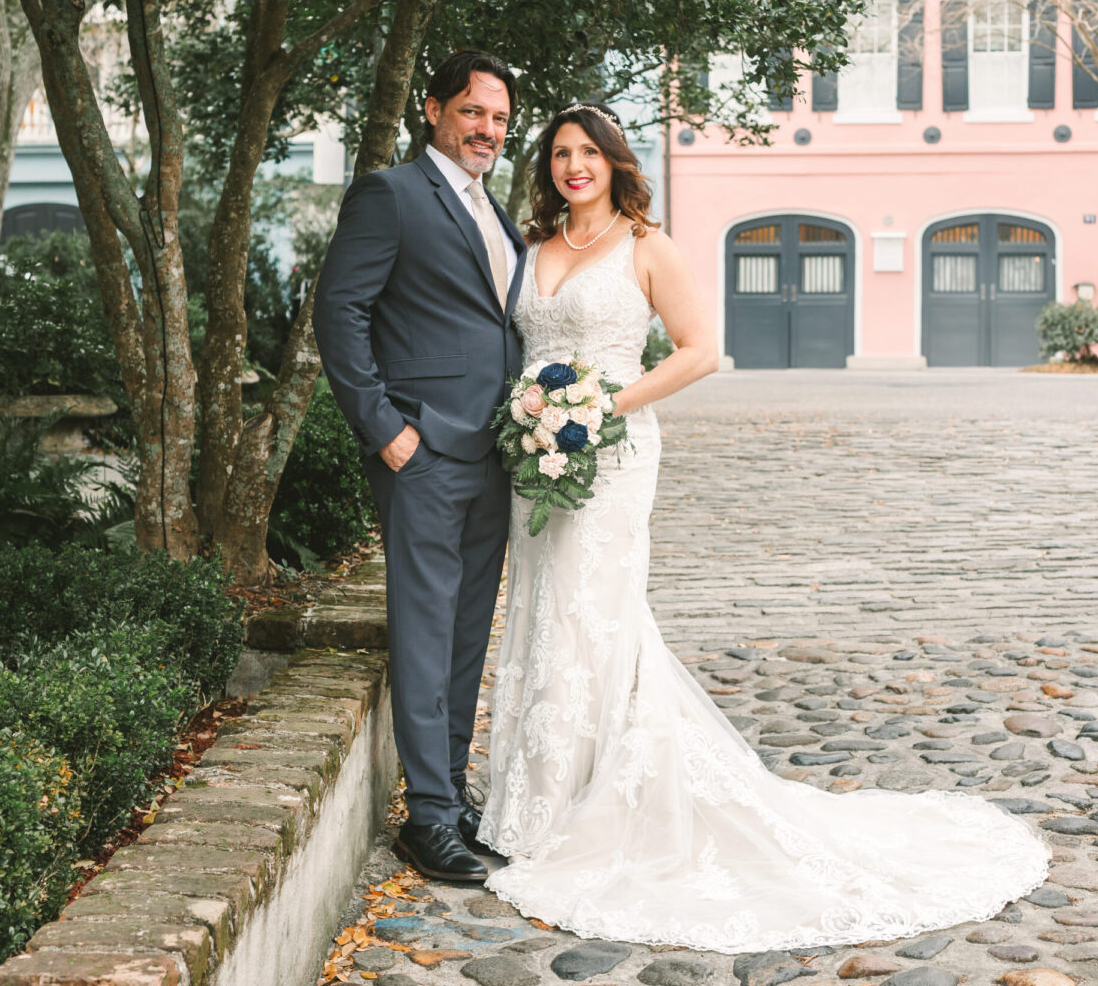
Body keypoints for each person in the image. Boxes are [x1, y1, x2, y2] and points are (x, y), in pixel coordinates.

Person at [476, 101, 1051, 951]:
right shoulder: (532, 251)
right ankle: (532, 798)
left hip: (613, 451)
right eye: (560, 154)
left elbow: (701, 349)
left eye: (588, 153)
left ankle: (590, 803)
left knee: (596, 611)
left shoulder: (643, 245)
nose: (573, 167)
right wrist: (535, 416)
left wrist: (602, 406)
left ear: (614, 162)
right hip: (536, 460)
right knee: (541, 607)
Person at [314, 51, 525, 883]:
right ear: (433, 110)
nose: (488, 131)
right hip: (425, 450)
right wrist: (384, 428)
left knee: (469, 630)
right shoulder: (392, 194)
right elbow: (341, 308)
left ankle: (451, 793)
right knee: (426, 626)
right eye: (474, 113)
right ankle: (425, 817)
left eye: (502, 120)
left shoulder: (490, 208)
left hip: (497, 454)